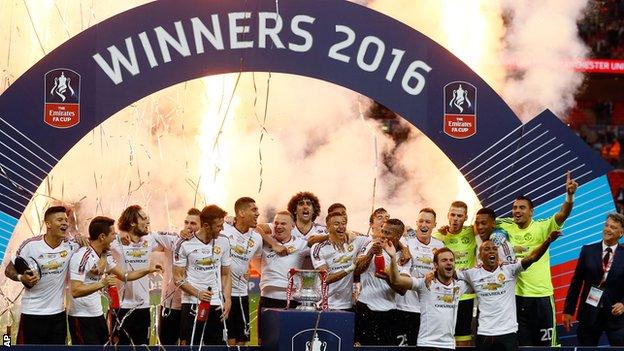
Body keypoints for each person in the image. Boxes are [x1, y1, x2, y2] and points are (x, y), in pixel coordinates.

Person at [499, 172, 578, 346]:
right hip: (516, 297)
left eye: (522, 208)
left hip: (542, 296)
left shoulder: (542, 226)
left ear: (531, 211)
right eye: (515, 208)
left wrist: (570, 196)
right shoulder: (505, 225)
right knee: (522, 345)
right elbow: (483, 221)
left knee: (548, 346)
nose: (517, 211)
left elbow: (562, 215)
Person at [459, 230, 561, 351]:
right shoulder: (472, 273)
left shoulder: (510, 270)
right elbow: (448, 273)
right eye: (487, 249)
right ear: (480, 255)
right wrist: (431, 275)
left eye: (494, 248)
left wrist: (548, 241)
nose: (491, 251)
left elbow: (533, 257)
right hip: (484, 333)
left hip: (508, 334)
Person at [68, 216, 161, 345]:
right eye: (112, 234)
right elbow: (75, 290)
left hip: (97, 314)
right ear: (102, 236)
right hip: (81, 316)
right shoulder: (82, 256)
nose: (115, 237)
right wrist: (102, 283)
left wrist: (148, 270)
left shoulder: (104, 255)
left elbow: (124, 275)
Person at [5, 206, 80, 344]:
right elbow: (9, 269)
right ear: (48, 224)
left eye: (66, 220)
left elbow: (99, 240)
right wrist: (22, 277)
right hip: (32, 313)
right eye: (60, 220)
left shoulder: (71, 246)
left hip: (57, 315)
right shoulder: (30, 245)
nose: (65, 223)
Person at [109, 205, 183, 345]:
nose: (148, 221)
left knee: (143, 346)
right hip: (121, 308)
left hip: (143, 307)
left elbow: (180, 239)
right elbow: (93, 241)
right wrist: (120, 233)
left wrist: (184, 232)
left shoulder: (151, 239)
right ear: (132, 222)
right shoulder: (115, 241)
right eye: (143, 218)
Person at [383, 245, 470, 350]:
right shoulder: (424, 283)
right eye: (444, 260)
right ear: (435, 265)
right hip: (427, 344)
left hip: (449, 345)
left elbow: (477, 278)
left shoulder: (459, 287)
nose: (449, 262)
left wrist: (458, 274)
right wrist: (393, 258)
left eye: (451, 260)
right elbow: (396, 280)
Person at [174, 205, 232, 346]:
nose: (222, 229)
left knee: (217, 346)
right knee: (191, 344)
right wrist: (197, 293)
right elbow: (178, 278)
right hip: (192, 302)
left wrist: (228, 299)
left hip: (216, 304)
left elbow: (226, 274)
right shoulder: (184, 243)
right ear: (206, 226)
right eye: (218, 226)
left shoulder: (224, 241)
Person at [563, 213, 624, 346]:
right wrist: (568, 310)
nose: (607, 229)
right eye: (606, 225)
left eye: (613, 227)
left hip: (616, 317)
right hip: (589, 315)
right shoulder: (587, 251)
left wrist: (623, 304)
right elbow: (576, 282)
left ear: (621, 233)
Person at [255, 211, 310, 343]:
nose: (279, 226)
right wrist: (273, 244)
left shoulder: (301, 244)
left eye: (283, 223)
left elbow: (322, 242)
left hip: (291, 300)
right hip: (267, 300)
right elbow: (253, 228)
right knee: (265, 342)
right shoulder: (264, 241)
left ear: (292, 226)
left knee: (292, 341)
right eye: (276, 223)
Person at [394, 208, 445, 346]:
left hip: (428, 310)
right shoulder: (405, 243)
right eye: (421, 221)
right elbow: (401, 271)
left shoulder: (440, 245)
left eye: (428, 222)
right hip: (405, 307)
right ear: (416, 223)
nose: (424, 225)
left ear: (434, 224)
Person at [354, 218, 406, 345]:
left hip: (389, 311)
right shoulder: (370, 245)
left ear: (398, 236)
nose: (382, 235)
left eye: (387, 233)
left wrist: (387, 277)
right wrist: (370, 253)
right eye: (382, 231)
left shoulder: (403, 256)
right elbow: (357, 271)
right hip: (365, 306)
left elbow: (402, 290)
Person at [432, 201, 477, 346]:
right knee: (441, 337)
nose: (455, 219)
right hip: (442, 294)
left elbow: (490, 223)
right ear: (447, 216)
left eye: (459, 216)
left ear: (465, 217)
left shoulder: (472, 232)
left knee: (463, 338)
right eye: (452, 215)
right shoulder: (437, 235)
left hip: (465, 295)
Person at [221, 197, 263, 346]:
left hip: (242, 293)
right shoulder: (224, 228)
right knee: (227, 340)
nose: (258, 213)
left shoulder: (257, 238)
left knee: (243, 341)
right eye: (254, 210)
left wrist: (247, 269)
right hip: (222, 293)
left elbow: (257, 260)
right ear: (241, 212)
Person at [158, 208, 201, 345]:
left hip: (192, 304)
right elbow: (147, 236)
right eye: (186, 222)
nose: (189, 226)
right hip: (170, 305)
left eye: (193, 223)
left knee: (188, 345)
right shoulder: (173, 240)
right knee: (166, 345)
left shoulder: (207, 245)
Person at [311, 212, 368, 310]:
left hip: (347, 305)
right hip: (325, 304)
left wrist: (403, 249)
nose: (341, 227)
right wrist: (351, 268)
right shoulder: (318, 248)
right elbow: (326, 279)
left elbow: (375, 238)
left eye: (344, 223)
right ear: (328, 227)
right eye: (336, 224)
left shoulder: (355, 241)